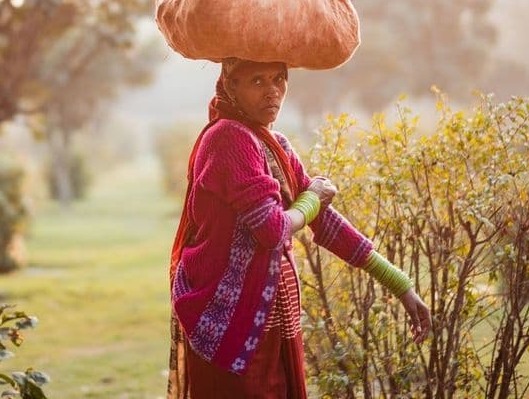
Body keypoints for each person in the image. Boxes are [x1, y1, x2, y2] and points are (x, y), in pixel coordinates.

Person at [168, 58, 432, 399]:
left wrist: (400, 285)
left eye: (279, 79)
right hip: (230, 328)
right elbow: (273, 229)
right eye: (257, 81)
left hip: (270, 326)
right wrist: (312, 200)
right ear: (230, 86)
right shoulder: (227, 138)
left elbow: (325, 222)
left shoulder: (272, 143)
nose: (273, 91)